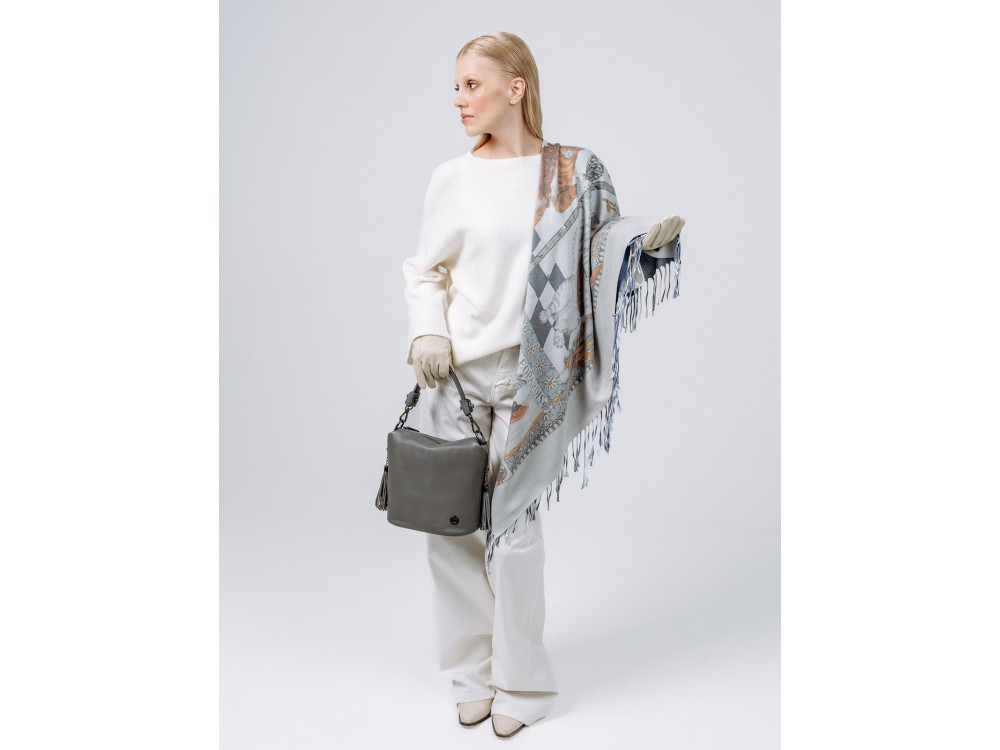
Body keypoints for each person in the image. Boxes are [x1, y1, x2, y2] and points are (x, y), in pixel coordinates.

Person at [402, 32, 683, 739]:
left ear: (516, 87)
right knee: (450, 532)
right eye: (456, 87)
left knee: (516, 531)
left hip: (535, 375)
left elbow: (604, 244)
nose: (459, 100)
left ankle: (522, 685)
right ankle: (470, 678)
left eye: (472, 84)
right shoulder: (451, 178)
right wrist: (426, 331)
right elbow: (424, 270)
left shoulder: (574, 172)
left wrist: (646, 245)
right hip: (456, 377)